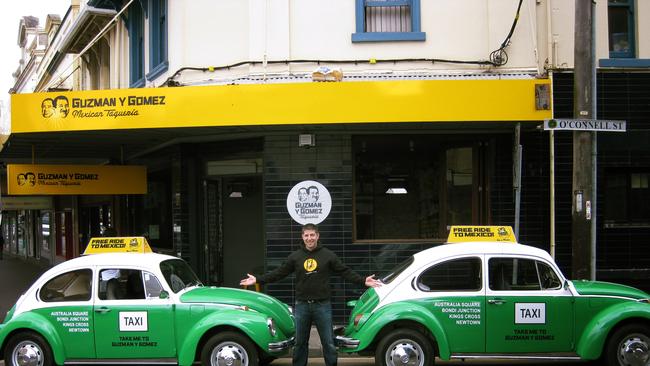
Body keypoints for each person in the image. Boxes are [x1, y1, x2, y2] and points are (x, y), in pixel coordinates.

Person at [240, 223, 381, 366]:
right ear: (302, 237)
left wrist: (363, 281)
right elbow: (279, 273)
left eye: (312, 235)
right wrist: (258, 279)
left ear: (317, 236)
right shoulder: (295, 257)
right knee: (300, 343)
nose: (309, 238)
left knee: (329, 343)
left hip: (322, 305)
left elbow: (345, 271)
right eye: (306, 235)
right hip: (302, 306)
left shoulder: (328, 255)